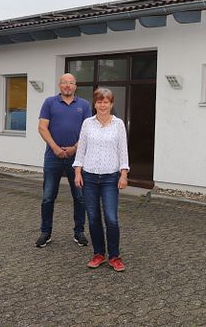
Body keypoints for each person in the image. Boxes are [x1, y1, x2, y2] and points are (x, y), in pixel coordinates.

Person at [73, 88, 130, 272]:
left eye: (106, 101)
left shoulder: (118, 124)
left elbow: (123, 150)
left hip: (110, 178)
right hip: (89, 177)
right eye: (99, 101)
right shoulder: (87, 124)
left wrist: (124, 173)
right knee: (94, 218)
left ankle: (114, 256)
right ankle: (99, 254)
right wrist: (78, 172)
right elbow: (81, 149)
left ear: (111, 104)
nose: (102, 105)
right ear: (95, 104)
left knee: (111, 218)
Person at [35, 73, 92, 248]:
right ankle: (46, 232)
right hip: (53, 157)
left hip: (77, 158)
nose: (68, 86)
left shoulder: (84, 105)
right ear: (60, 85)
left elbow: (87, 131)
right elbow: (42, 127)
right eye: (64, 83)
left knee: (80, 197)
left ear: (76, 86)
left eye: (71, 83)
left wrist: (75, 148)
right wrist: (55, 148)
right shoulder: (49, 103)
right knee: (48, 197)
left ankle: (79, 232)